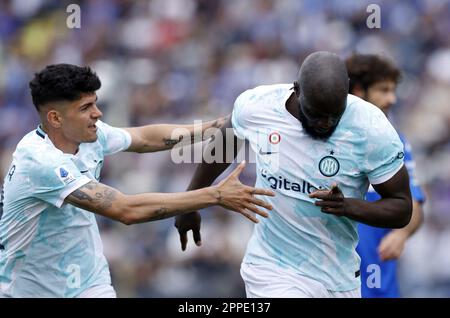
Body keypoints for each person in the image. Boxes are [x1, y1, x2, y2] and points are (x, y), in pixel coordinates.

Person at [0, 64, 275, 298]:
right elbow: (125, 210)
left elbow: (145, 138)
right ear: (55, 118)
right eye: (86, 107)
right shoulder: (41, 163)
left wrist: (217, 125)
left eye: (95, 103)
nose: (98, 113)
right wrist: (214, 195)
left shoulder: (87, 137)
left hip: (88, 285)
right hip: (30, 290)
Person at [175, 51, 412, 298]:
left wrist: (347, 206)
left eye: (334, 115)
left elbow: (402, 207)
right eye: (317, 113)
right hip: (272, 269)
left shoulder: (371, 128)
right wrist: (190, 202)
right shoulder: (258, 106)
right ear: (297, 90)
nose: (325, 123)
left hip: (338, 278)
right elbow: (224, 144)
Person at [346, 53, 425, 298]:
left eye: (393, 90)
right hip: (333, 285)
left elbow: (415, 207)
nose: (392, 98)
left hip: (381, 287)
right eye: (384, 90)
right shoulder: (329, 141)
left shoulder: (396, 143)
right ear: (359, 91)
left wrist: (401, 234)